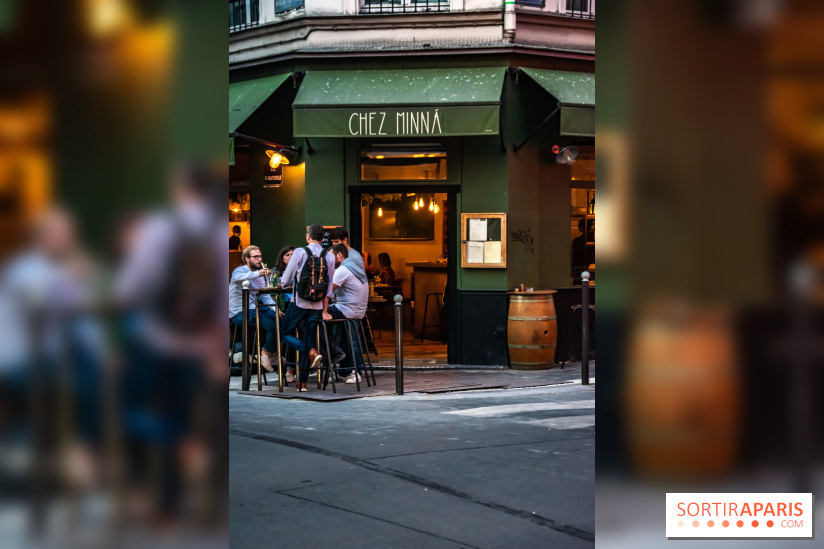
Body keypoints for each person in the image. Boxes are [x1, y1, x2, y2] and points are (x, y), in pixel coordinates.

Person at [277, 224, 336, 392]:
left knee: (284, 333)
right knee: (308, 336)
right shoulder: (329, 257)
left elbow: (286, 279)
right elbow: (329, 286)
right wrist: (324, 309)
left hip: (299, 303)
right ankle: (302, 383)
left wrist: (281, 284)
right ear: (323, 239)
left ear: (308, 237)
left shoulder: (300, 252)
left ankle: (310, 351)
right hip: (317, 305)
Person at [322, 244, 369, 383]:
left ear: (339, 255)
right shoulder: (355, 267)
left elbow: (327, 292)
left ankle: (330, 352)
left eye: (330, 256)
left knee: (311, 314)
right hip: (357, 311)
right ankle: (345, 370)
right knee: (345, 337)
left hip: (347, 310)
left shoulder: (343, 269)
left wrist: (324, 311)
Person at [229, 245, 279, 373]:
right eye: (256, 257)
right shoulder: (239, 270)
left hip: (254, 308)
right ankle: (266, 353)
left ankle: (270, 354)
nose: (259, 259)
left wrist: (276, 309)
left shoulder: (260, 275)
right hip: (239, 312)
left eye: (260, 256)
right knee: (271, 325)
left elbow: (266, 296)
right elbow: (236, 278)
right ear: (247, 258)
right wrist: (257, 274)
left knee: (279, 319)